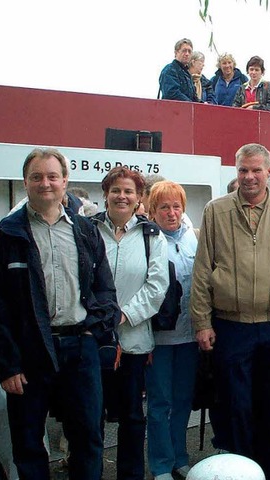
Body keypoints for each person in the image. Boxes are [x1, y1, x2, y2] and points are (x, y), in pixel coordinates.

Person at [0, 147, 120, 480]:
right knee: (28, 445)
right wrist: (7, 365)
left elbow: (104, 290)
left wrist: (95, 330)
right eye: (37, 177)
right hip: (28, 355)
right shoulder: (7, 237)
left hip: (79, 348)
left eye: (53, 176)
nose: (45, 184)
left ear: (65, 181)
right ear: (25, 182)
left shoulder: (84, 231)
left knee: (88, 439)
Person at [190, 143, 270, 480]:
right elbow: (202, 270)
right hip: (232, 325)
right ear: (236, 172)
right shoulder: (216, 211)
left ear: (269, 172)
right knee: (235, 406)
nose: (249, 177)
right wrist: (202, 321)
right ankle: (239, 471)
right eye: (243, 170)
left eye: (256, 170)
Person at [91, 166, 169, 480]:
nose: (122, 196)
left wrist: (123, 315)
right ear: (106, 195)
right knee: (91, 416)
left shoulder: (151, 235)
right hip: (94, 339)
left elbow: (157, 285)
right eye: (116, 190)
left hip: (135, 342)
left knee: (133, 418)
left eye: (129, 192)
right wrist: (102, 317)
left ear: (138, 198)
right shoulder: (88, 230)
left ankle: (131, 475)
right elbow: (81, 279)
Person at [145, 181, 200, 480]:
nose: (171, 212)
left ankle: (180, 456)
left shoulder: (193, 239)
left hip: (189, 336)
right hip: (159, 340)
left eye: (176, 206)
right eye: (164, 207)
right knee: (159, 403)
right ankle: (161, 464)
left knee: (182, 401)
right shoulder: (147, 241)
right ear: (152, 211)